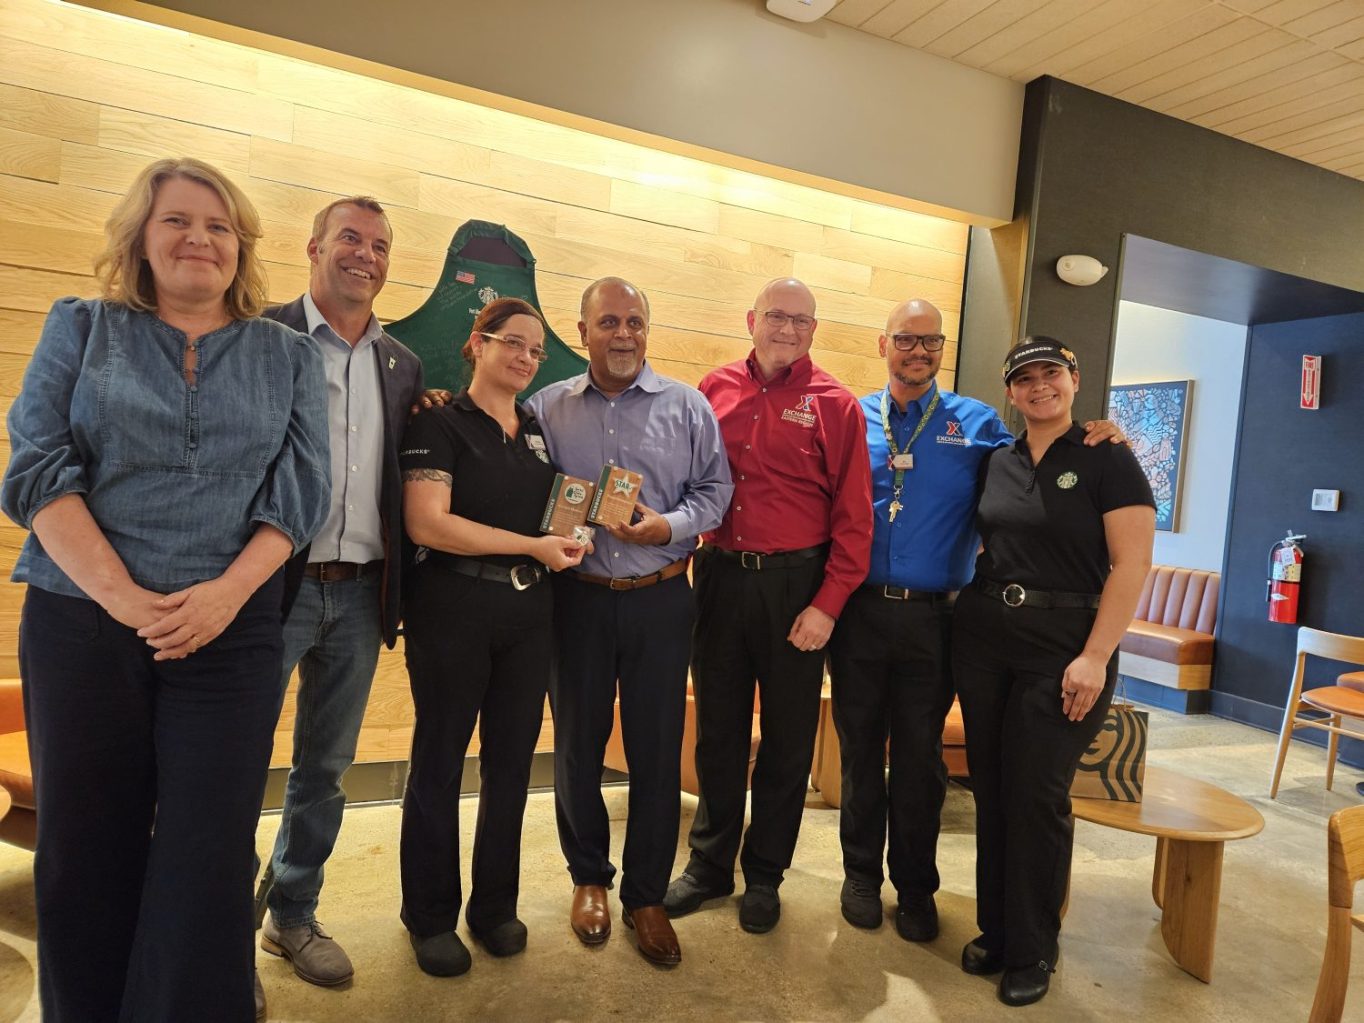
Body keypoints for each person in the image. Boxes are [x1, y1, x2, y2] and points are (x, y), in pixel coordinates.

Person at [1, 157, 330, 1022]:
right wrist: (120, 597)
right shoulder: (81, 326)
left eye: (220, 225)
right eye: (178, 220)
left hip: (232, 628)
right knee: (84, 844)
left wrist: (224, 595)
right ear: (140, 239)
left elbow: (299, 495)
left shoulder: (288, 354)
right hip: (82, 621)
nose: (200, 238)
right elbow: (36, 471)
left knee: (207, 848)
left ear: (242, 247)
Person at [829, 300, 1125, 942]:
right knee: (858, 754)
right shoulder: (854, 417)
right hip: (858, 615)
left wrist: (1103, 433)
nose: (918, 351)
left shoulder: (978, 422)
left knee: (919, 761)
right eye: (905, 339)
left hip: (939, 621)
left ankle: (914, 887)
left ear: (942, 348)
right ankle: (860, 877)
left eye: (930, 341)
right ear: (883, 344)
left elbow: (1039, 454)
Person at [526, 277, 732, 966]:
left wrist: (667, 525)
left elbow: (716, 491)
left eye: (635, 321)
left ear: (649, 329)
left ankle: (646, 893)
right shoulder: (545, 408)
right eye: (608, 320)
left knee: (655, 746)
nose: (623, 333)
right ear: (580, 329)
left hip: (661, 596)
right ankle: (589, 877)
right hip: (576, 598)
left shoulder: (689, 407)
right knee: (579, 743)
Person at [665, 277, 873, 934]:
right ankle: (708, 864)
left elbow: (855, 520)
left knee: (786, 744)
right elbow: (689, 478)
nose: (787, 328)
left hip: (796, 589)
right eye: (776, 316)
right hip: (720, 576)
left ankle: (764, 874)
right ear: (752, 318)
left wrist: (828, 606)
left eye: (801, 320)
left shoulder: (836, 404)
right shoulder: (714, 387)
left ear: (814, 330)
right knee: (719, 732)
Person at [952, 337, 1154, 1007]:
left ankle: (1035, 944)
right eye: (1025, 379)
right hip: (985, 643)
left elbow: (1130, 565)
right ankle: (999, 929)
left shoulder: (1108, 457)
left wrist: (1095, 655)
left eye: (1052, 374)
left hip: (1066, 650)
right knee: (992, 787)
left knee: (1037, 797)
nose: (1039, 387)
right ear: (1010, 392)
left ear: (1074, 379)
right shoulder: (998, 461)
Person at [257, 196, 425, 992]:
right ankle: (214, 928)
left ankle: (291, 912)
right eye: (350, 238)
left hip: (359, 595)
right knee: (227, 764)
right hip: (265, 590)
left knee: (324, 768)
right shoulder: (261, 335)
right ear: (314, 245)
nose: (365, 254)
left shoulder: (403, 364)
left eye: (380, 244)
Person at [398, 297, 587, 978]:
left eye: (537, 350)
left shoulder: (536, 429)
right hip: (451, 606)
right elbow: (429, 522)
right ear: (478, 343)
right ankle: (428, 915)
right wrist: (534, 547)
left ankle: (493, 906)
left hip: (527, 615)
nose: (527, 358)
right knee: (440, 761)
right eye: (514, 343)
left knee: (510, 764)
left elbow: (558, 512)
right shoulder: (439, 421)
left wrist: (570, 539)